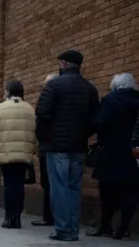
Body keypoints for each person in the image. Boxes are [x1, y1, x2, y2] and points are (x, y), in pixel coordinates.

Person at [36, 50, 100, 242]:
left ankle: (63, 230)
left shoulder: (54, 85)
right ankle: (72, 229)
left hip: (57, 147)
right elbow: (96, 120)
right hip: (78, 146)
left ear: (63, 64)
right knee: (73, 188)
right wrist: (82, 135)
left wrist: (47, 138)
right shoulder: (90, 88)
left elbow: (42, 112)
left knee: (59, 188)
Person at [86, 73, 139, 240]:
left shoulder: (111, 100)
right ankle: (123, 227)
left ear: (115, 86)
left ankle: (106, 225)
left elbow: (101, 122)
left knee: (107, 192)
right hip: (133, 154)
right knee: (130, 192)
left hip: (112, 152)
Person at [0, 81, 36, 229]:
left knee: (8, 185)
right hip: (23, 154)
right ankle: (17, 217)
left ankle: (9, 218)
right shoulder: (29, 109)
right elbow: (35, 132)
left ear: (8, 91)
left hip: (5, 153)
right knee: (19, 185)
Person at [31, 73, 59, 227]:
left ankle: (50, 217)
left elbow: (40, 121)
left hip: (48, 146)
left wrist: (40, 140)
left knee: (49, 183)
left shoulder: (47, 100)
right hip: (64, 145)